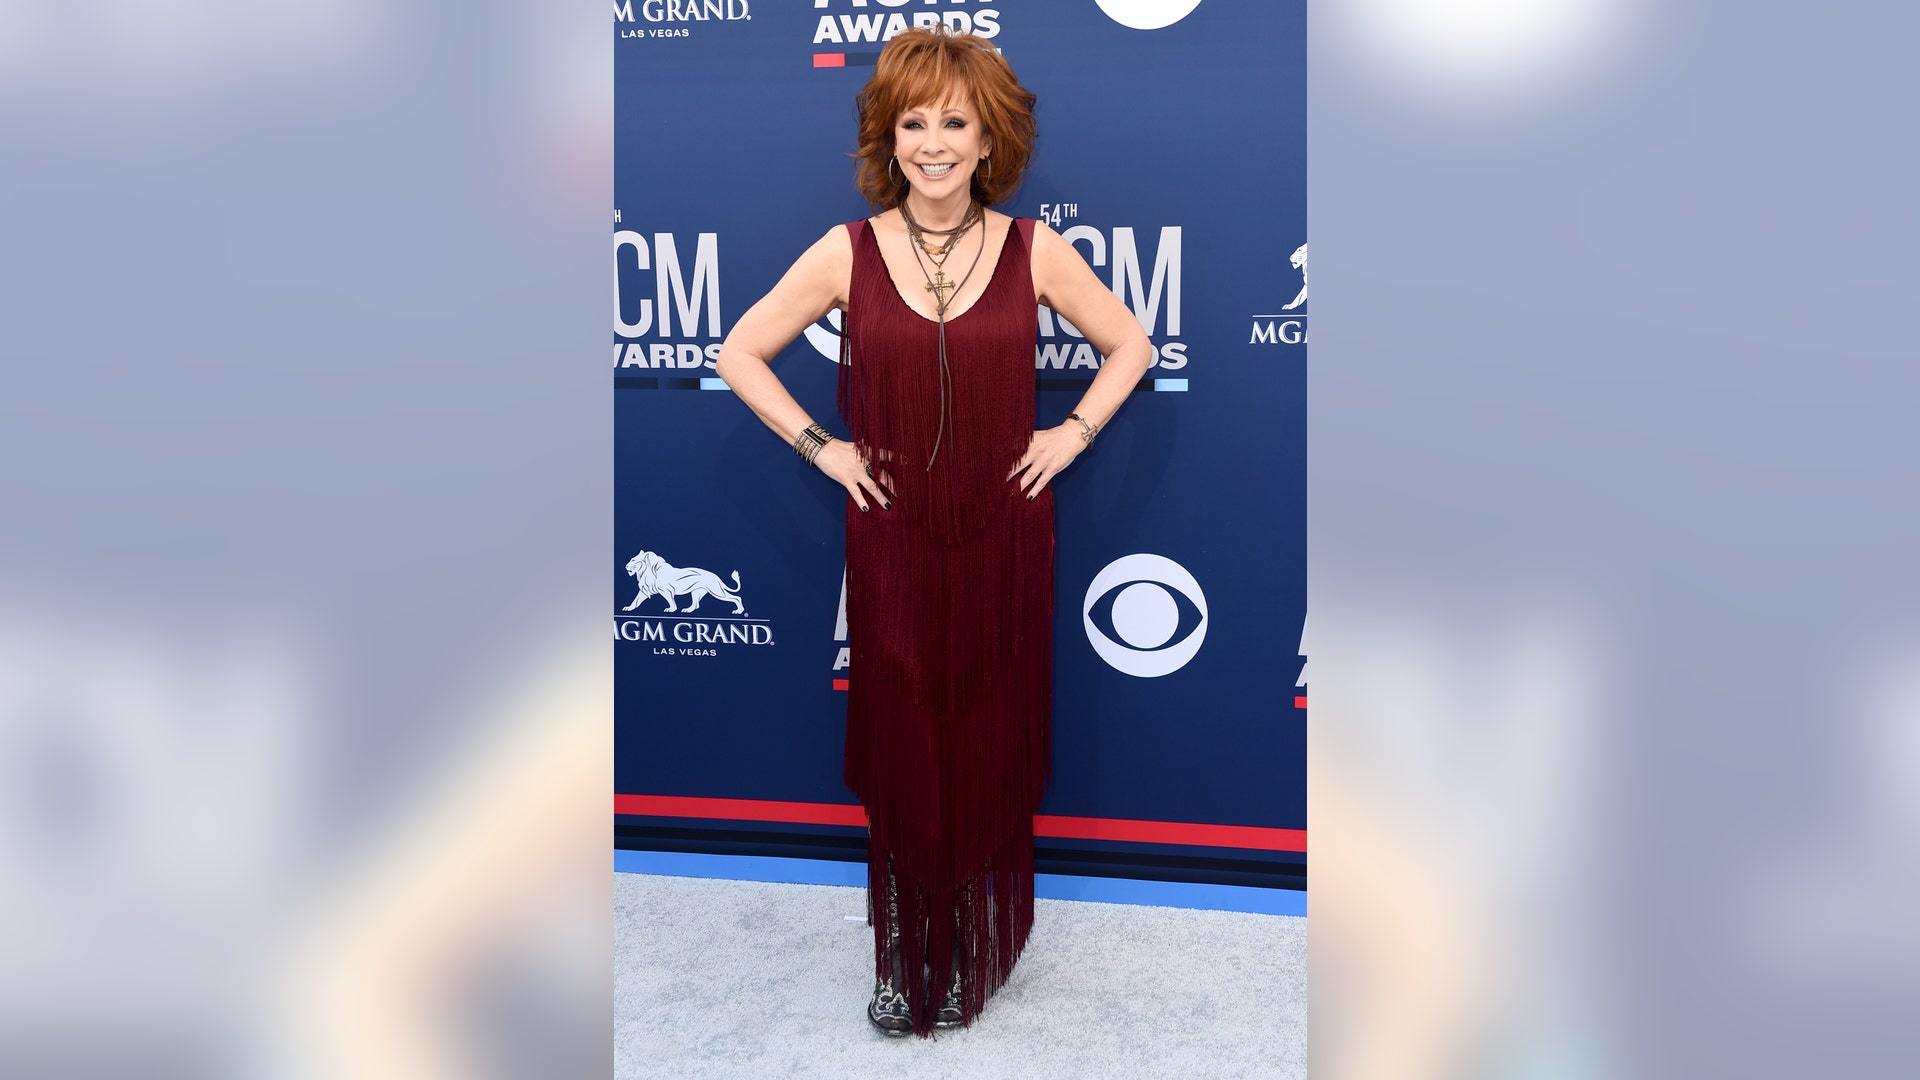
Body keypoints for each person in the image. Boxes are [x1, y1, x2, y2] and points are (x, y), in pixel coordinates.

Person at [713, 27, 1151, 1038]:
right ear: (889, 135)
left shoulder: (1036, 248)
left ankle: (970, 951)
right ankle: (903, 952)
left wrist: (1073, 432)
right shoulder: (846, 250)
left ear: (989, 137)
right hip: (897, 545)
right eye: (915, 121)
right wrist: (823, 445)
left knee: (989, 738)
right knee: (907, 740)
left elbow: (1131, 342)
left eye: (955, 121)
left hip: (1004, 537)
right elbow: (738, 350)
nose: (935, 142)